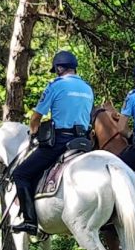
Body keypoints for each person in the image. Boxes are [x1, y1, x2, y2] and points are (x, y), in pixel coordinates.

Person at [11, 50, 94, 235]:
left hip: (61, 142)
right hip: (83, 142)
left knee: (20, 174)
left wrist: (33, 133)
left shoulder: (55, 86)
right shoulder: (87, 88)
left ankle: (30, 221)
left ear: (58, 68)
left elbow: (36, 117)